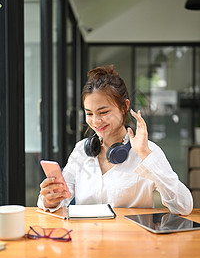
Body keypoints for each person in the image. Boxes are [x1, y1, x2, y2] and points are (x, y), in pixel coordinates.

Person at [37, 65, 193, 215]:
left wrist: (146, 155)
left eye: (103, 112)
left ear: (124, 107)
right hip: (86, 240)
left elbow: (183, 206)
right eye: (89, 114)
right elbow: (60, 200)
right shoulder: (81, 151)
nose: (96, 121)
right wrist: (50, 199)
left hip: (131, 239)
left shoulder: (147, 151)